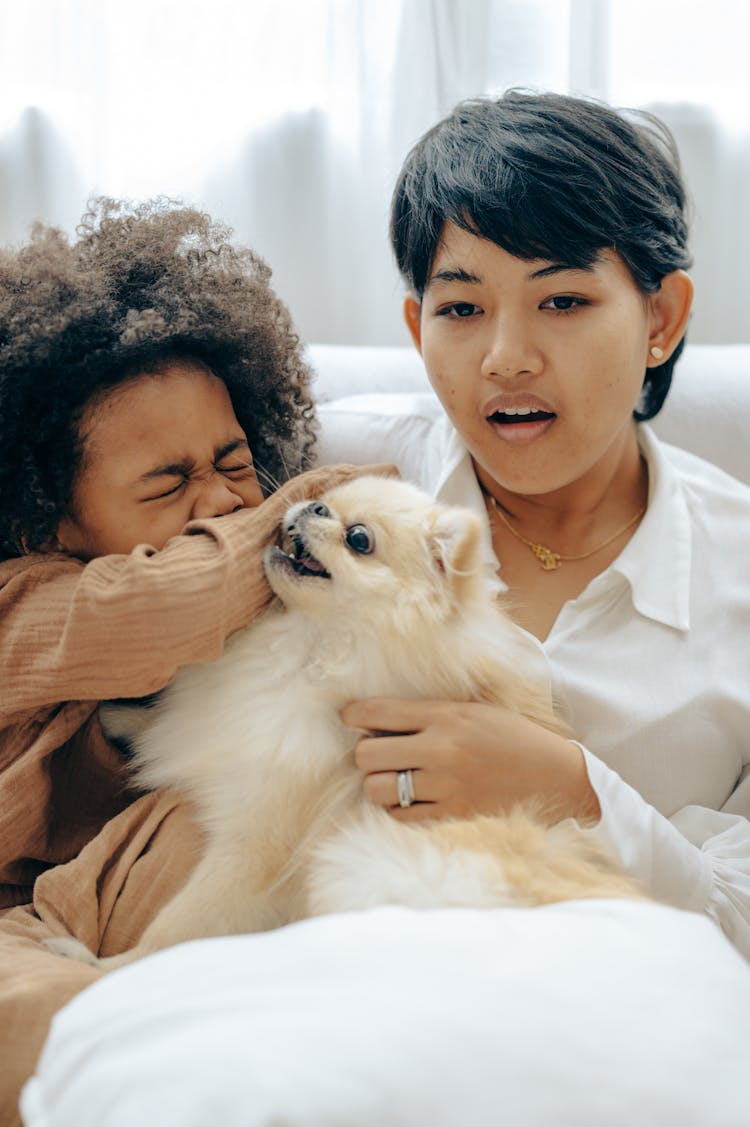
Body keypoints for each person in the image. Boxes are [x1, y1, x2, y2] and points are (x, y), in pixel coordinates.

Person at [318, 90, 750, 958]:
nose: (506, 356)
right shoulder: (335, 475)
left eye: (561, 301)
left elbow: (739, 920)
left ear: (660, 317)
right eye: (462, 309)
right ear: (417, 325)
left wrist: (574, 789)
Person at [0, 198, 380, 1122]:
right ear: (55, 518)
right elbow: (169, 602)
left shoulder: (274, 607)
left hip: (132, 902)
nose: (217, 503)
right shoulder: (30, 605)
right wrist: (327, 509)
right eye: (167, 482)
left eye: (235, 459)